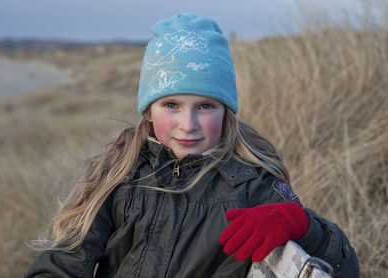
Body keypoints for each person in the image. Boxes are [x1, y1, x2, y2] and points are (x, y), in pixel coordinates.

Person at [25, 13, 359, 278]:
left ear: (225, 110)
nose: (188, 124)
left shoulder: (252, 184)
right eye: (171, 105)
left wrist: (302, 224)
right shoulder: (120, 173)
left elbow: (345, 268)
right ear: (148, 110)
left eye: (205, 106)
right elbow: (65, 261)